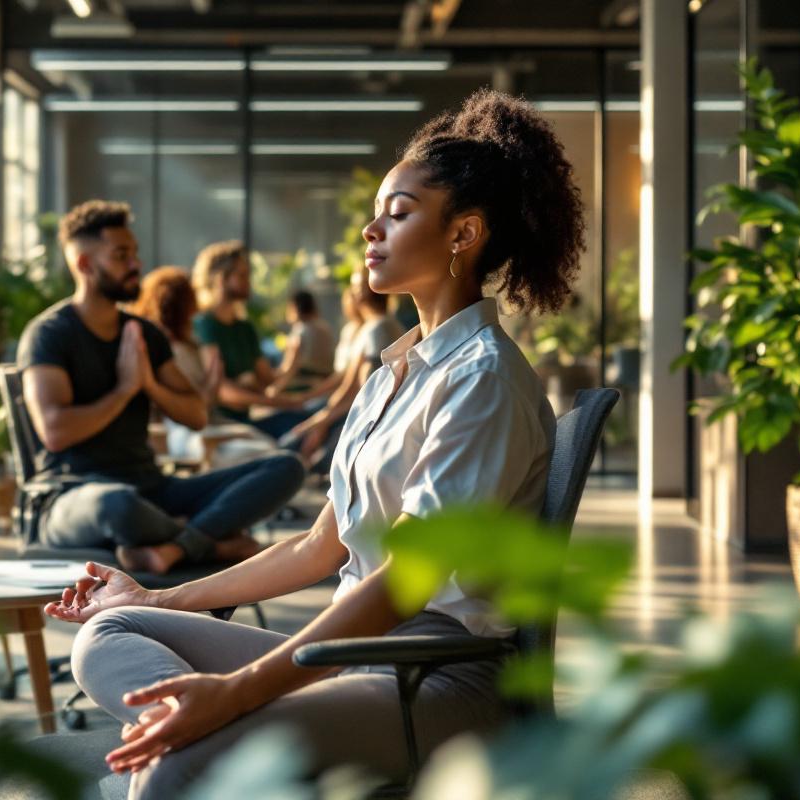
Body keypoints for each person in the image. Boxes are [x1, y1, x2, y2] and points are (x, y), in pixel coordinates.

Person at [44, 88, 586, 796]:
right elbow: (318, 547)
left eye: (398, 213)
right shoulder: (392, 372)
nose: (371, 231)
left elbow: (406, 583)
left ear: (464, 234)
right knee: (108, 634)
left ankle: (216, 740)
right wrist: (156, 597)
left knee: (176, 768)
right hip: (355, 656)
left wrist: (238, 690)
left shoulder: (483, 381)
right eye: (375, 216)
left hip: (438, 680)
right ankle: (221, 737)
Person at [18, 201, 306, 575]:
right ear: (85, 265)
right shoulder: (50, 334)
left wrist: (150, 384)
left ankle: (177, 547)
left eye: (135, 253)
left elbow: (196, 415)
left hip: (151, 490)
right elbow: (55, 432)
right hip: (71, 497)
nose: (136, 264)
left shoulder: (143, 334)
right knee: (116, 505)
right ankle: (208, 542)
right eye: (122, 256)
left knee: (286, 467)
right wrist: (124, 389)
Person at [130, 266, 276, 467]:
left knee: (266, 446)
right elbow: (190, 412)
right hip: (181, 433)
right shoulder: (164, 349)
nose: (196, 308)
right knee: (266, 453)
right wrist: (213, 382)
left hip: (206, 423)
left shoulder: (189, 345)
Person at [281, 265, 407, 475]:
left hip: (366, 423)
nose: (353, 291)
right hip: (355, 415)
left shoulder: (378, 330)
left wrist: (319, 422)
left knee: (291, 445)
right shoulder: (375, 327)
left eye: (357, 285)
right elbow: (348, 383)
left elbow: (359, 393)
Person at [191, 241, 312, 439]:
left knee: (307, 420)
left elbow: (267, 381)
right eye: (242, 275)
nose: (249, 281)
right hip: (220, 424)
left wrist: (292, 362)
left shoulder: (244, 328)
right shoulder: (205, 324)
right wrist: (284, 402)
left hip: (247, 421)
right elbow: (223, 391)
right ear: (221, 279)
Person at [269, 290, 336, 394]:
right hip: (328, 383)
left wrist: (274, 389)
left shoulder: (299, 332)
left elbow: (289, 369)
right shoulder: (324, 328)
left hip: (306, 387)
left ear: (294, 308)